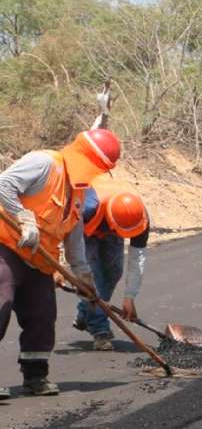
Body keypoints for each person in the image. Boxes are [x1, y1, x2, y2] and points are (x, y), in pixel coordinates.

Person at [0, 129, 121, 399]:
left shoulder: (78, 192)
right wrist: (23, 218)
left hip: (39, 258)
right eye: (98, 168)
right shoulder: (45, 163)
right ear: (87, 160)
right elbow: (3, 184)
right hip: (5, 245)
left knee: (42, 317)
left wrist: (84, 278)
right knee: (1, 302)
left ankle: (35, 378)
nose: (96, 175)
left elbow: (74, 242)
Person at [71, 174, 150, 351]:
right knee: (93, 279)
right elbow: (64, 230)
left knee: (114, 272)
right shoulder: (87, 207)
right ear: (111, 222)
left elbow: (137, 258)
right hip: (83, 230)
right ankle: (100, 331)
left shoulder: (139, 217)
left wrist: (130, 297)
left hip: (109, 223)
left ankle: (85, 312)